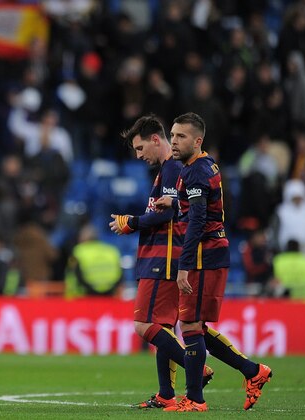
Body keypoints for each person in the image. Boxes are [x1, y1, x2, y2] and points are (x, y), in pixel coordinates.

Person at [154, 112, 272, 412]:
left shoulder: (195, 172)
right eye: (173, 134)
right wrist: (176, 201)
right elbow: (202, 207)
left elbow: (196, 222)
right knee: (197, 327)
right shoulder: (199, 166)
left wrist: (183, 266)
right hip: (211, 252)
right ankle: (252, 371)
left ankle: (195, 399)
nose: (174, 141)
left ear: (198, 140)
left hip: (205, 255)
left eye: (181, 136)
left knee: (191, 325)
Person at [109, 114, 214, 410]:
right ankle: (166, 394)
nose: (139, 156)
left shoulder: (171, 169)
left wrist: (131, 222)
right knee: (162, 328)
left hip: (164, 257)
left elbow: (166, 215)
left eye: (141, 148)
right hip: (161, 256)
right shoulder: (168, 170)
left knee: (143, 325)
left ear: (156, 139)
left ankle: (196, 368)